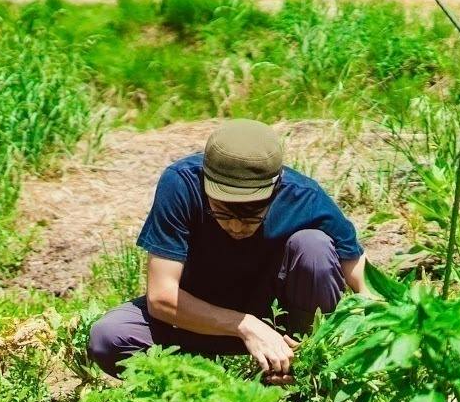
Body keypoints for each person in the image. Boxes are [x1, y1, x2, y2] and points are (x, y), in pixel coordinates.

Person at [87, 118, 366, 379]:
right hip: (197, 316)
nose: (235, 226)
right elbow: (161, 297)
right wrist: (244, 325)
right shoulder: (181, 184)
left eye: (251, 214)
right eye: (222, 211)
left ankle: (297, 376)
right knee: (109, 337)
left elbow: (366, 286)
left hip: (278, 324)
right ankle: (204, 388)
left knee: (314, 246)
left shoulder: (304, 197)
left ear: (276, 188)